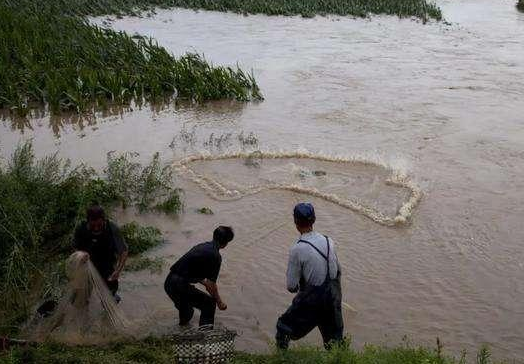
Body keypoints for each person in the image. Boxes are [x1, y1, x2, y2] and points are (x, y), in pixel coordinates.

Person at [275, 203, 344, 349]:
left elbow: (291, 286)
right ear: (314, 220)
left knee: (283, 327)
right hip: (334, 297)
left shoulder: (297, 249)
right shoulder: (329, 241)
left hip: (313, 302)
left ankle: (282, 359)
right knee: (335, 342)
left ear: (295, 222)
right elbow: (337, 270)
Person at [164, 226, 233, 328]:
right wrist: (219, 302)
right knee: (209, 304)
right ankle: (206, 337)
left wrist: (203, 282)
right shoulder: (216, 256)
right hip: (179, 285)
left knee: (188, 311)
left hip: (169, 283)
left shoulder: (201, 246)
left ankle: (182, 332)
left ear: (214, 236)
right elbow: (211, 286)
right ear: (226, 243)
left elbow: (191, 269)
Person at [73, 205, 128, 302]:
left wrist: (118, 271)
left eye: (99, 225)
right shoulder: (81, 229)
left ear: (104, 219)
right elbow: (75, 248)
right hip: (86, 265)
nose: (96, 228)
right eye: (93, 225)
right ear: (88, 221)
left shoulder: (112, 228)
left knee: (110, 297)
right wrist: (80, 255)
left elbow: (123, 251)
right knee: (81, 297)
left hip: (107, 265)